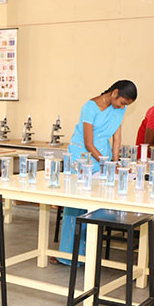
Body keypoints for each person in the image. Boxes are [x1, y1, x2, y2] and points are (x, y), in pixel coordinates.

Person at [55, 80, 137, 265]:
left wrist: (115, 162)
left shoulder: (119, 109)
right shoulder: (90, 107)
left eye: (126, 105)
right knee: (76, 205)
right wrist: (107, 163)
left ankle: (89, 254)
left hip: (102, 157)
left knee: (94, 206)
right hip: (82, 156)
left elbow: (117, 138)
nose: (122, 107)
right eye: (122, 102)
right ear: (115, 93)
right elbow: (88, 143)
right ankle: (68, 256)